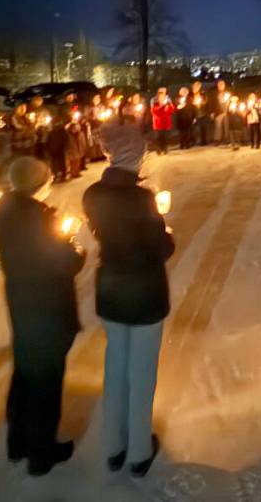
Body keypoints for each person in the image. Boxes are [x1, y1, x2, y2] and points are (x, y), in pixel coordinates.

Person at [83, 122, 175, 479]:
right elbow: (159, 247)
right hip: (144, 292)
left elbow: (104, 235)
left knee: (115, 368)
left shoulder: (92, 194)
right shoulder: (141, 198)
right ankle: (138, 450)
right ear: (132, 155)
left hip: (111, 289)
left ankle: (113, 447)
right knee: (141, 372)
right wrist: (166, 229)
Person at [0, 157, 84, 476]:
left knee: (25, 371)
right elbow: (66, 263)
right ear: (38, 183)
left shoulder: (4, 208)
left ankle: (18, 440)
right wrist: (73, 246)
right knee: (46, 379)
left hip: (21, 298)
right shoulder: (40, 217)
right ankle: (42, 452)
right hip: (47, 304)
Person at [150, 88, 175, 155]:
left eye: (163, 96)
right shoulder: (155, 103)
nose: (162, 98)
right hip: (158, 124)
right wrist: (162, 106)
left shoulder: (168, 103)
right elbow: (154, 111)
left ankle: (165, 148)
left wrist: (168, 108)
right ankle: (159, 149)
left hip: (166, 123)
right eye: (160, 97)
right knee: (158, 137)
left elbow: (172, 110)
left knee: (166, 137)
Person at [190, 81, 211, 146]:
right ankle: (196, 141)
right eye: (195, 86)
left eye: (197, 86)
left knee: (203, 128)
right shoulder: (191, 95)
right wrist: (193, 103)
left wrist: (202, 102)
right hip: (195, 114)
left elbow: (206, 101)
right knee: (197, 129)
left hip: (203, 113)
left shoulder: (203, 93)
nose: (196, 88)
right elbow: (190, 102)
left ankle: (204, 141)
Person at [213, 79, 231, 145]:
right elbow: (213, 104)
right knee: (218, 127)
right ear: (217, 86)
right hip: (219, 112)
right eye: (219, 85)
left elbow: (230, 102)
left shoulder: (227, 93)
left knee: (226, 126)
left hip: (226, 112)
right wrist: (213, 112)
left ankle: (227, 139)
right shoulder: (215, 94)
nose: (221, 86)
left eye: (222, 84)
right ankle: (218, 140)